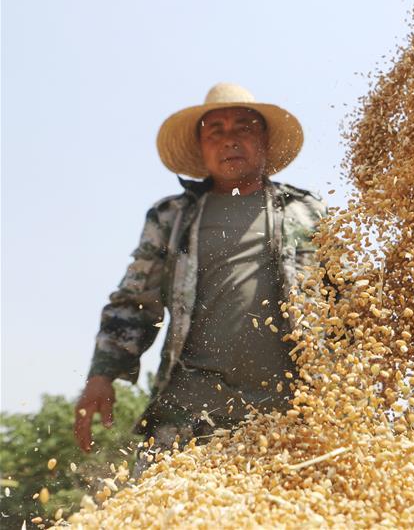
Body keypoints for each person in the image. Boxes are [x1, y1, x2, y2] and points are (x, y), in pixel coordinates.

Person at [73, 83, 326, 472]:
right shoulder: (171, 218)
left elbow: (346, 304)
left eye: (244, 127)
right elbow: (134, 303)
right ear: (202, 147)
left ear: (263, 139)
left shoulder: (308, 212)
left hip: (290, 418)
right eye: (216, 131)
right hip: (189, 417)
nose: (230, 140)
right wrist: (102, 374)